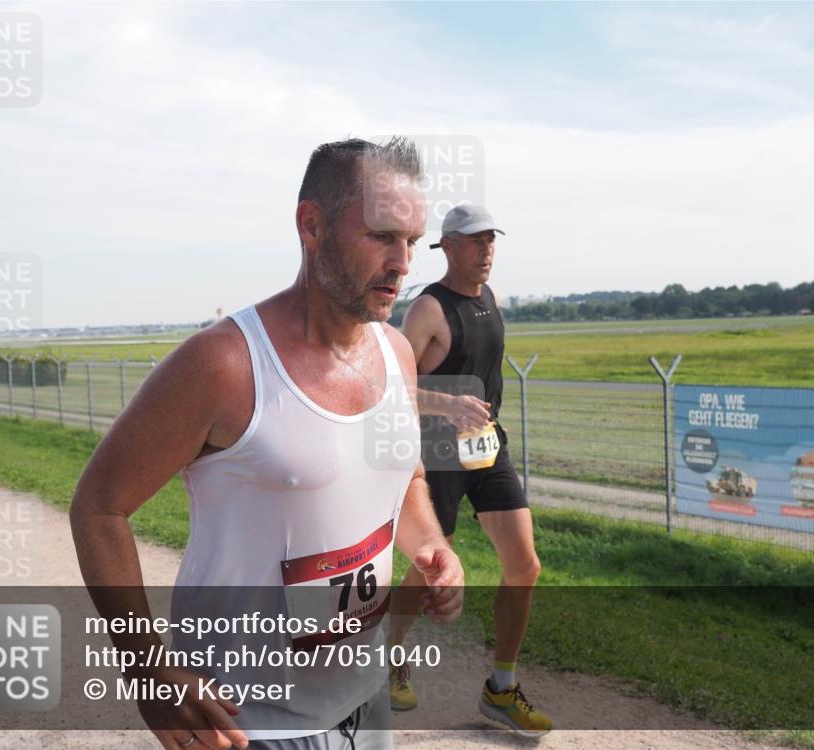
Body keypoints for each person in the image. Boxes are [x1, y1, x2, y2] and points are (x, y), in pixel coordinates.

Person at [70, 138, 464, 750]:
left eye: (412, 241)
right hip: (244, 724)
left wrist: (434, 548)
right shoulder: (224, 364)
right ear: (312, 225)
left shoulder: (398, 354)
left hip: (363, 700)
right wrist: (146, 666)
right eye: (382, 235)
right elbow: (99, 505)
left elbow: (406, 481)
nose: (403, 262)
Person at [387, 205, 553, 736]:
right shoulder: (428, 310)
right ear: (449, 247)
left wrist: (475, 414)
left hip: (486, 446)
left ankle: (500, 688)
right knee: (430, 566)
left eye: (491, 241)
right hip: (436, 448)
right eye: (476, 242)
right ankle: (390, 660)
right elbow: (392, 389)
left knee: (524, 565)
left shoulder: (492, 299)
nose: (487, 251)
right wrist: (447, 405)